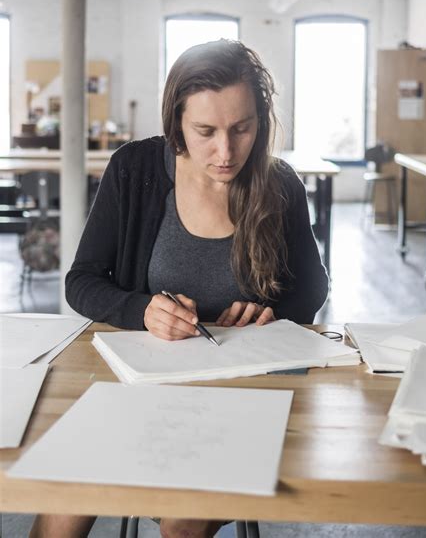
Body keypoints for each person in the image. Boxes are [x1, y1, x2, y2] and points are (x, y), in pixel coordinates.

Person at [30, 39, 328, 538]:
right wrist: (141, 309)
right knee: (65, 500)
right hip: (138, 387)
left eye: (242, 128)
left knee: (184, 519)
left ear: (261, 118)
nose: (226, 152)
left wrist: (269, 311)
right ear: (176, 124)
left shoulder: (280, 184)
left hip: (243, 394)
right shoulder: (134, 170)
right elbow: (80, 282)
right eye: (205, 132)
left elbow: (312, 287)